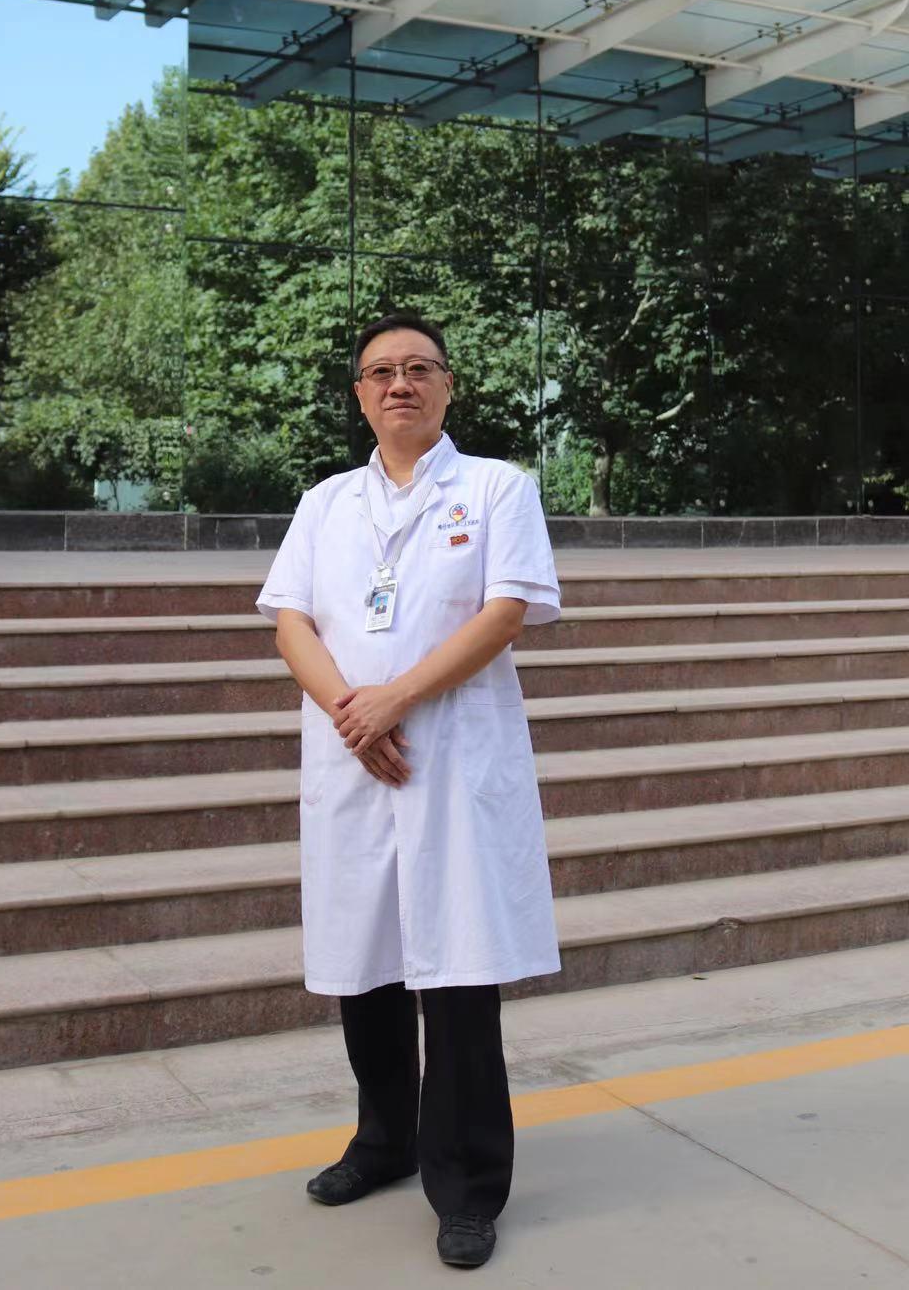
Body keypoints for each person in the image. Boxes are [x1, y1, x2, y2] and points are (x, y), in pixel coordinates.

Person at [256, 311, 561, 1269]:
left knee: (459, 972)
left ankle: (467, 1186)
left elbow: (505, 612)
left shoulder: (498, 488)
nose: (400, 383)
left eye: (419, 368)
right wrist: (355, 713)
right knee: (367, 964)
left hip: (452, 759)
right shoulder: (325, 502)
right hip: (353, 758)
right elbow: (291, 621)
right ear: (359, 394)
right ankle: (383, 1140)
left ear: (448, 386)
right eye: (381, 371)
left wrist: (396, 700)